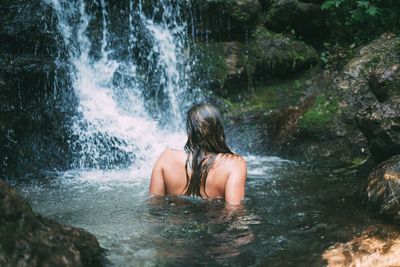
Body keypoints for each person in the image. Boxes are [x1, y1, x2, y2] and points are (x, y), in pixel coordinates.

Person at [149, 103, 247, 205]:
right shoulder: (234, 164)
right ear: (218, 130)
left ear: (189, 130)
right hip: (214, 219)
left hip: (177, 218)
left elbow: (154, 204)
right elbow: (234, 210)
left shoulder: (166, 158)